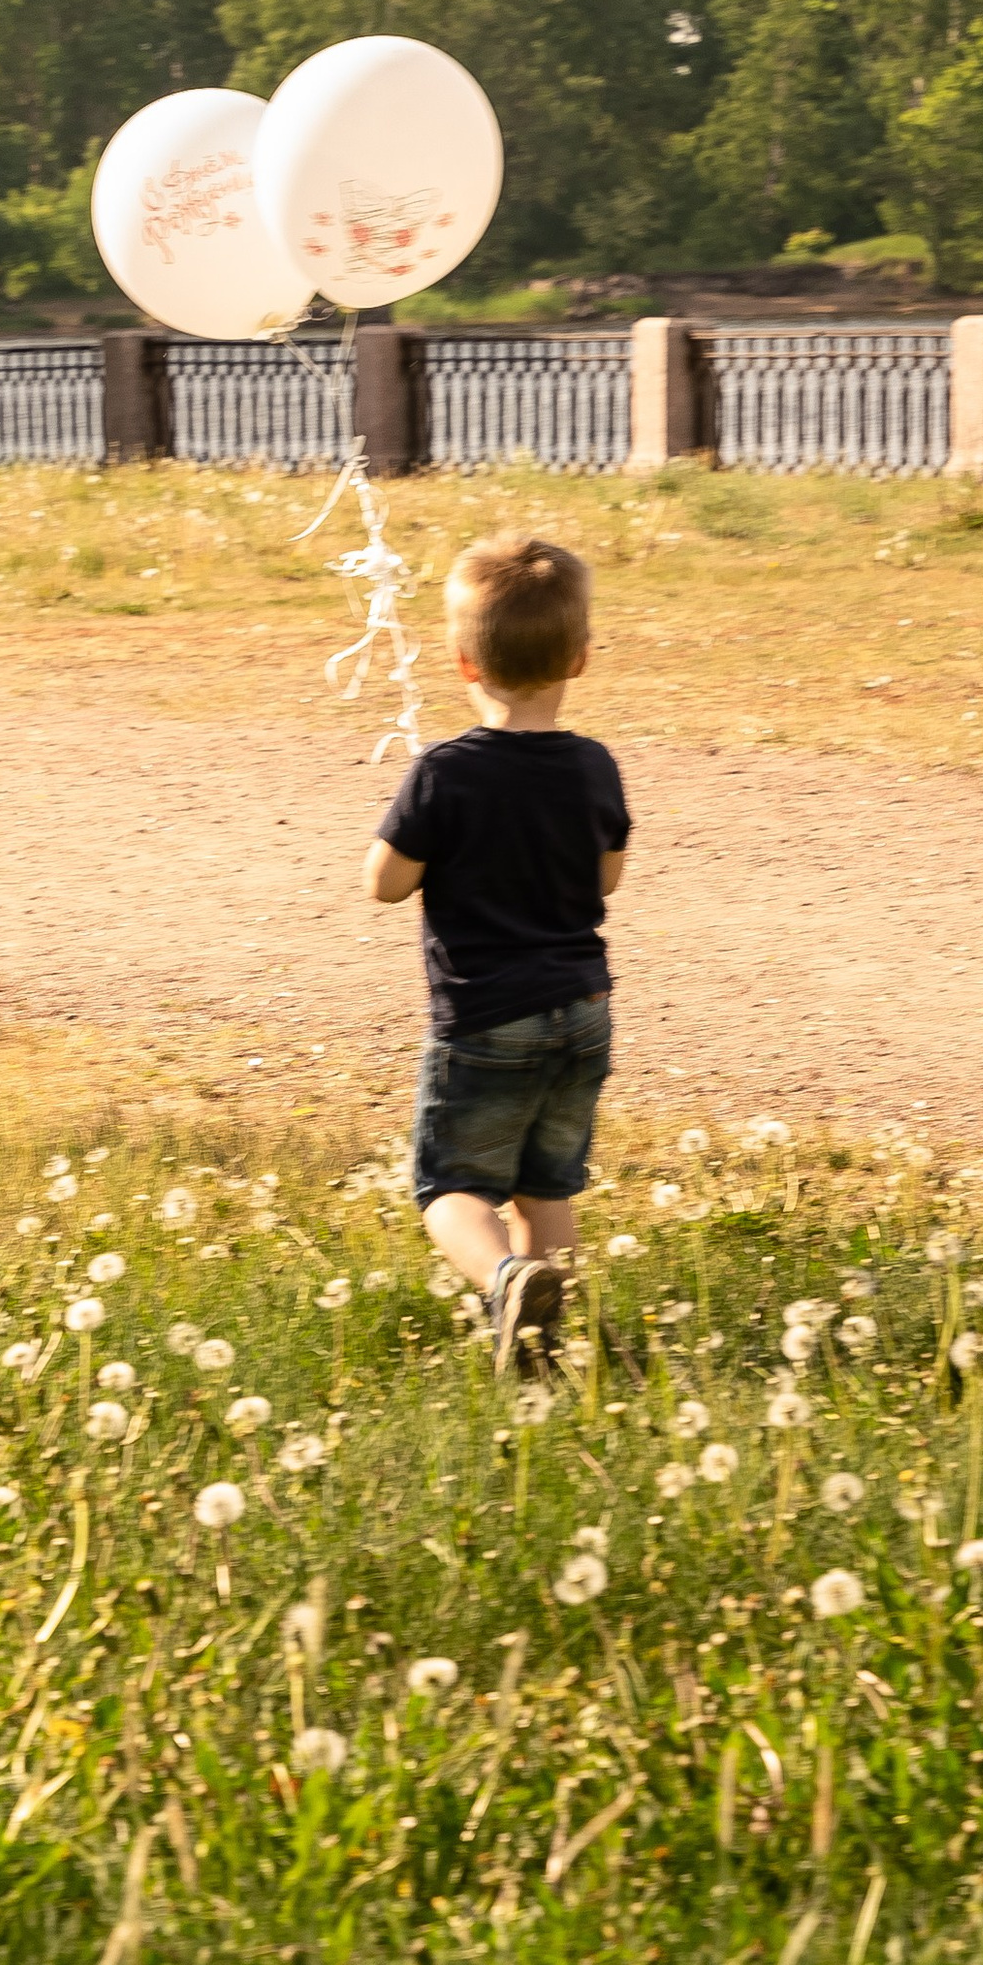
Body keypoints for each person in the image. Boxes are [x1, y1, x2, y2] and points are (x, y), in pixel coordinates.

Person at [365, 533, 629, 1368]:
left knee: (450, 1187)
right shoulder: (594, 766)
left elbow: (385, 883)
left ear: (462, 664)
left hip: (488, 1017)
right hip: (583, 1011)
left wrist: (432, 826)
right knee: (546, 1186)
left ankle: (507, 1279)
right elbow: (609, 875)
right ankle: (547, 1347)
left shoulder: (445, 772)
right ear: (580, 658)